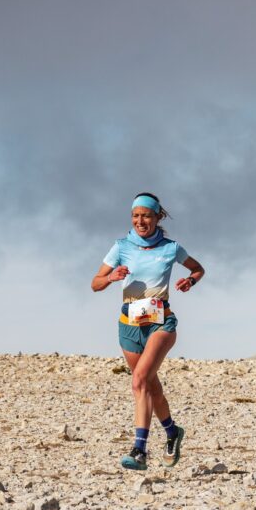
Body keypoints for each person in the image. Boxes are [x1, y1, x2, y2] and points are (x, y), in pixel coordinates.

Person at [91, 193, 205, 471]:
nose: (140, 221)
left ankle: (139, 451)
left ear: (157, 218)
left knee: (139, 380)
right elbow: (95, 283)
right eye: (136, 216)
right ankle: (172, 432)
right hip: (129, 325)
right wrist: (111, 277)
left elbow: (198, 269)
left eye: (146, 216)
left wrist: (190, 280)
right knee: (150, 387)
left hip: (160, 322)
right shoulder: (120, 247)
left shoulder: (170, 248)